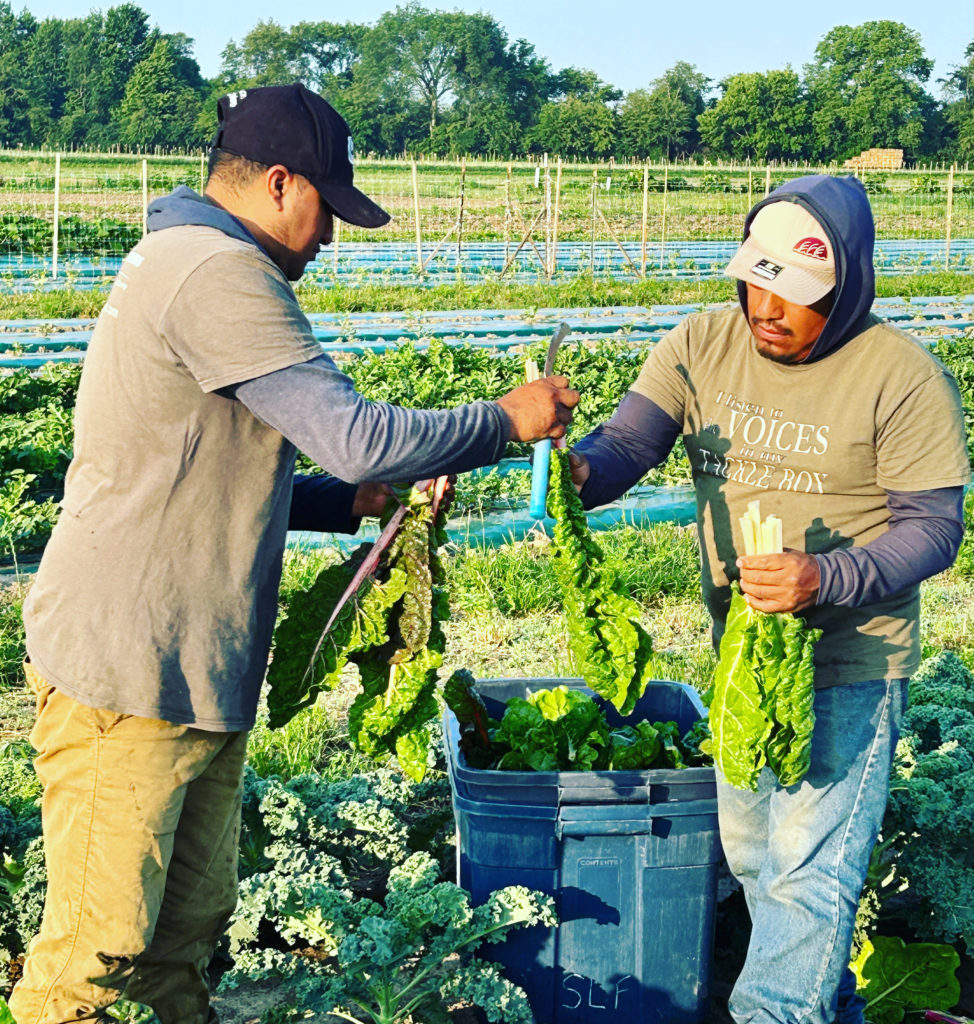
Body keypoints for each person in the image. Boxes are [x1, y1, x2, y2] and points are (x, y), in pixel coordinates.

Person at [10, 83, 579, 1024]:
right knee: (92, 958)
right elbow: (352, 432)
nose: (330, 238)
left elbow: (188, 457)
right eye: (328, 209)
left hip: (189, 668)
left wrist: (337, 502)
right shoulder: (217, 272)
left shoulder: (184, 258)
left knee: (179, 941)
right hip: (129, 674)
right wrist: (503, 422)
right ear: (280, 184)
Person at [568, 174, 969, 1024]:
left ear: (847, 285)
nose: (767, 308)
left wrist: (825, 577)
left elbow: (935, 529)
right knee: (756, 860)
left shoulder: (901, 377)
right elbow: (626, 447)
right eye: (756, 282)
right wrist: (570, 470)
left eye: (793, 294)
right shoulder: (701, 344)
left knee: (806, 877)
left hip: (850, 662)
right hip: (744, 659)